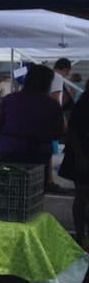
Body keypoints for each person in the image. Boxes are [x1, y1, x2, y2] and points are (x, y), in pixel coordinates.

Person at [0, 64, 64, 176]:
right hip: (38, 154)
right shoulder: (52, 104)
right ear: (48, 82)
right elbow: (59, 132)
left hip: (9, 150)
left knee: (8, 185)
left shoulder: (9, 99)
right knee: (34, 187)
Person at [61, 90, 89, 250]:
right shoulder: (84, 104)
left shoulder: (82, 102)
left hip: (81, 155)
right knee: (83, 196)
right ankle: (80, 234)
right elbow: (73, 130)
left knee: (81, 196)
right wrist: (80, 156)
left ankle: (80, 235)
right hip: (83, 155)